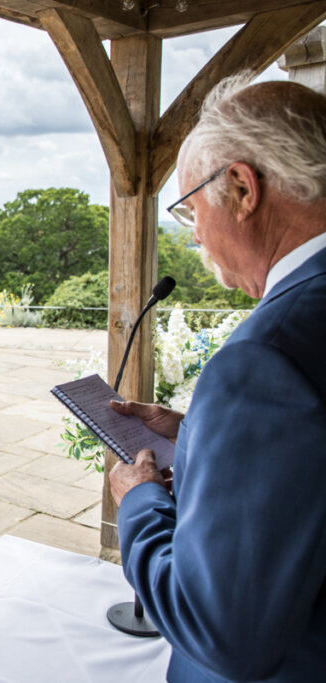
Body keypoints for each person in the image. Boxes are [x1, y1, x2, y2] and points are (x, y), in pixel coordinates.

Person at [108, 77, 326, 682]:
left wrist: (140, 501)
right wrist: (198, 432)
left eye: (190, 208)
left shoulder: (266, 356)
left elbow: (223, 629)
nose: (196, 233)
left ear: (241, 186)